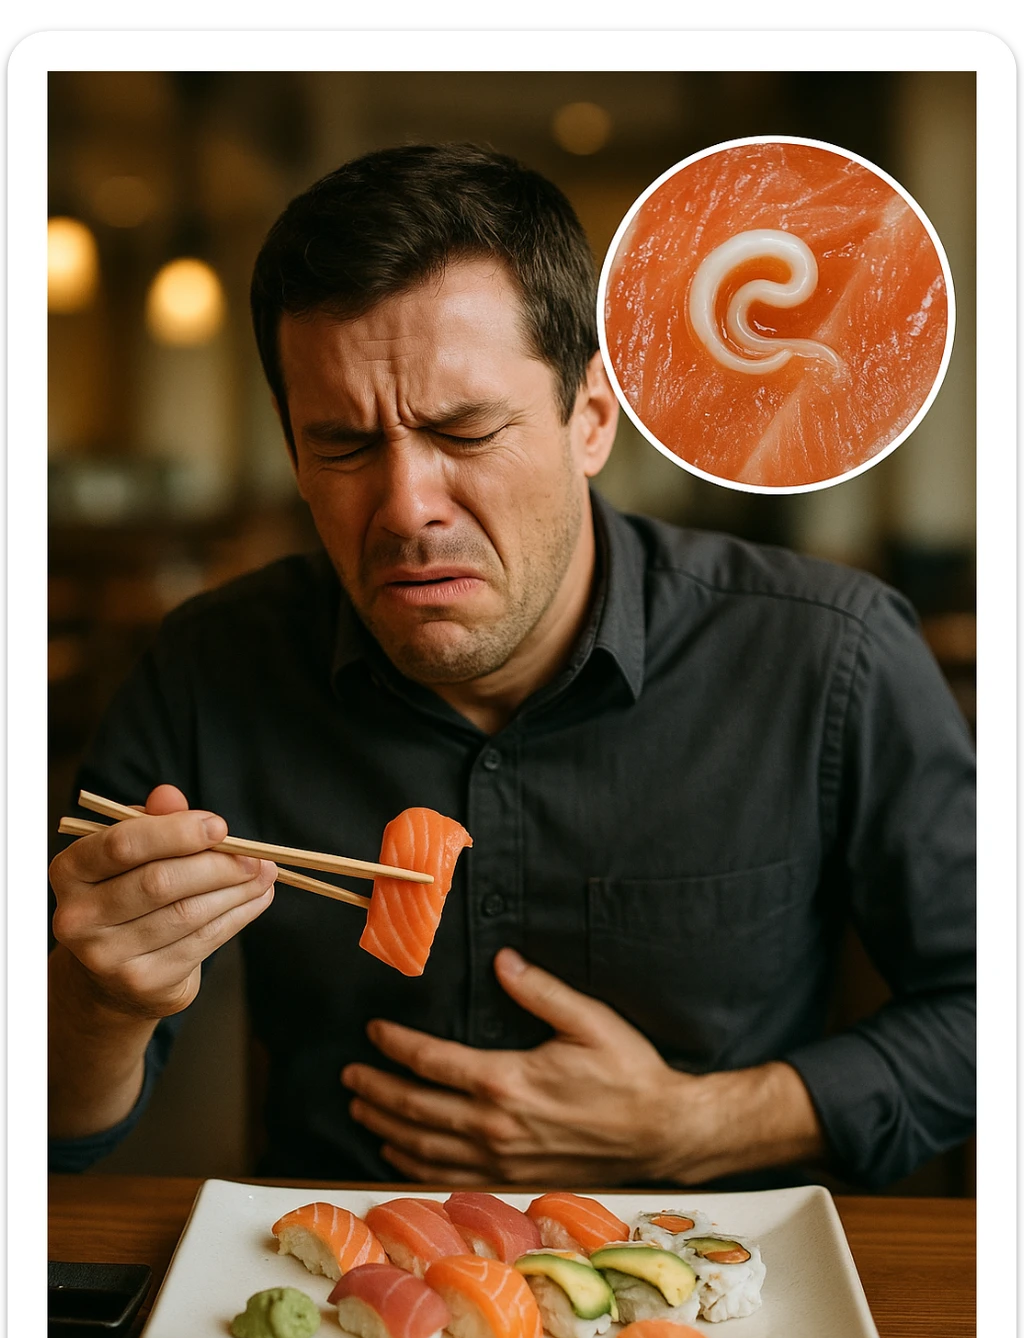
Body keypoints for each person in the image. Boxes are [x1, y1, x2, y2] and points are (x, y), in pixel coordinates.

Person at [48, 142, 976, 1192]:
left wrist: (705, 1123)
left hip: (714, 1293)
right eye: (346, 447)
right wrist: (95, 1001)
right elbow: (58, 1137)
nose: (405, 509)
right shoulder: (210, 667)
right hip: (330, 1290)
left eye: (466, 429)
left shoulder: (826, 653)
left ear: (590, 416)